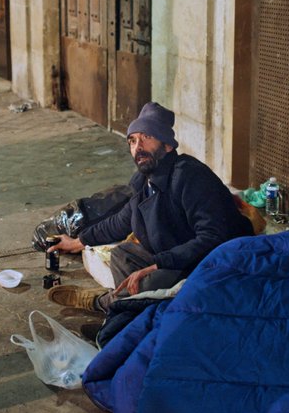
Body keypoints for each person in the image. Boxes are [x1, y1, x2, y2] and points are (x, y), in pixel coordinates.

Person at [46, 102, 254, 338]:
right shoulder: (144, 181)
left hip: (212, 260)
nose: (138, 147)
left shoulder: (189, 176)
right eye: (132, 141)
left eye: (146, 137)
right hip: (175, 252)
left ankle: (108, 309)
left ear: (166, 145)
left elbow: (213, 237)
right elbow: (121, 221)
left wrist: (158, 264)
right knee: (121, 255)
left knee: (149, 282)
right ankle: (126, 308)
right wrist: (78, 241)